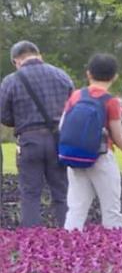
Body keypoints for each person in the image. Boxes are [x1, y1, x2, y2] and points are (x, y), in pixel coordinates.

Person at [63, 54, 122, 230]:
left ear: (88, 74)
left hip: (75, 156)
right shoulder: (110, 101)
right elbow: (117, 136)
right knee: (111, 208)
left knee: (76, 208)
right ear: (115, 76)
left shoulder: (76, 96)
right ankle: (114, 250)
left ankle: (68, 248)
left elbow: (63, 124)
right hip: (101, 156)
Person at [0, 41, 74, 227]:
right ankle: (70, 238)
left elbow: (4, 115)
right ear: (38, 54)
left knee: (30, 193)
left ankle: (32, 239)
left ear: (16, 60)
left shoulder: (11, 80)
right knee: (62, 191)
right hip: (58, 139)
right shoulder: (62, 76)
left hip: (29, 140)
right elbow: (73, 108)